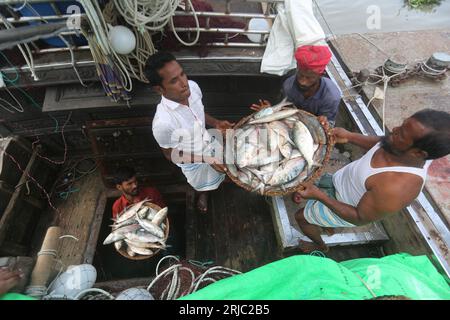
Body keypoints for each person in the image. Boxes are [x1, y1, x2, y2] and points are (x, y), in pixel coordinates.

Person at [294, 109, 450, 253]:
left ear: (418, 153)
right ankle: (327, 225)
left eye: (401, 134)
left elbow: (359, 218)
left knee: (301, 217)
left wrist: (319, 196)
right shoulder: (396, 145)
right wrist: (349, 136)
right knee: (318, 212)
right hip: (338, 183)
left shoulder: (395, 188)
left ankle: (320, 246)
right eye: (401, 125)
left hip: (345, 207)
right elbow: (381, 143)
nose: (394, 130)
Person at [146, 51, 235, 213]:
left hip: (208, 142)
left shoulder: (193, 87)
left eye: (182, 74)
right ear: (159, 89)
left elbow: (199, 113)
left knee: (221, 170)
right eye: (174, 81)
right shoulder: (163, 123)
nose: (184, 83)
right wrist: (206, 159)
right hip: (193, 162)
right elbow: (170, 154)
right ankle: (203, 193)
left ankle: (212, 186)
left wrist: (216, 123)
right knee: (201, 182)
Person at [251, 45, 341, 126]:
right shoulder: (289, 85)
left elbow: (329, 123)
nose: (303, 82)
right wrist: (270, 110)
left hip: (313, 127)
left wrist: (324, 121)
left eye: (309, 78)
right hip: (293, 122)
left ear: (321, 75)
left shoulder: (331, 96)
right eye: (300, 75)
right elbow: (286, 109)